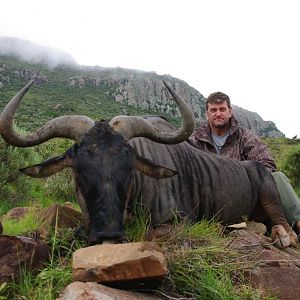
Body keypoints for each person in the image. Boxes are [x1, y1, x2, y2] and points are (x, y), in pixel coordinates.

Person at [188, 91, 300, 235]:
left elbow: (267, 166)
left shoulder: (245, 136)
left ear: (230, 112)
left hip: (246, 195)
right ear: (207, 114)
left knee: (277, 177)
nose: (218, 114)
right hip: (209, 198)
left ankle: (297, 222)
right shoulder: (195, 139)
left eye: (222, 109)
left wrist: (242, 180)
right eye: (213, 110)